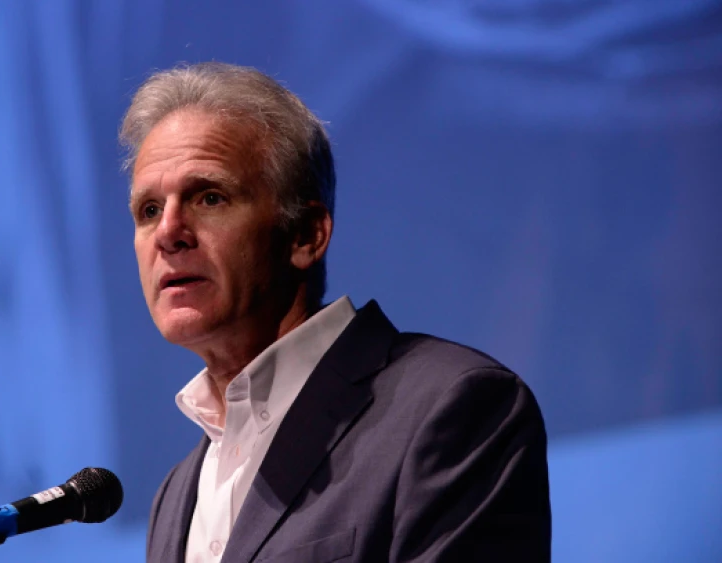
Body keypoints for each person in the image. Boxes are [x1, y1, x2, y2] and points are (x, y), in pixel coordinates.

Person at [120, 62, 551, 563]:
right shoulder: (176, 496)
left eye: (210, 198)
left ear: (306, 235)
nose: (169, 233)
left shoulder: (453, 406)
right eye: (149, 210)